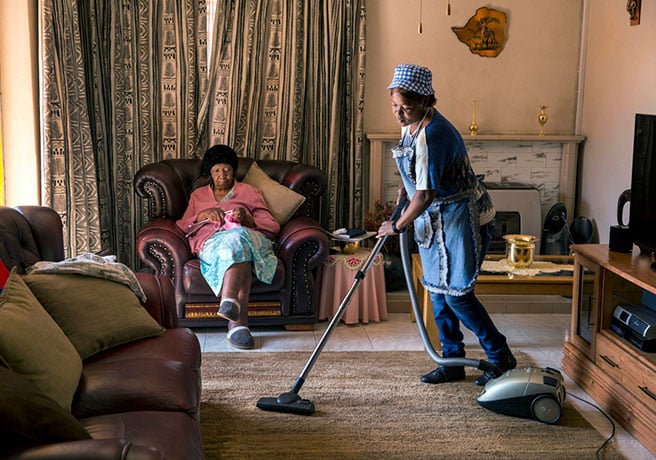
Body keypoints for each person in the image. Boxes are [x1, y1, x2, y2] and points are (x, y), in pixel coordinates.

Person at [377, 64, 516, 386]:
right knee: (437, 294)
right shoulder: (411, 123)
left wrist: (397, 225)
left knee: (457, 295)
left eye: (405, 108)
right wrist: (401, 195)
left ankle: (500, 356)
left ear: (427, 101)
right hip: (435, 219)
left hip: (460, 218)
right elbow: (415, 180)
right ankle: (452, 361)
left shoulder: (433, 134)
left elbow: (425, 194)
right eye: (394, 105)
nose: (398, 114)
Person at [177, 145, 280, 349]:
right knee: (235, 248)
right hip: (214, 243)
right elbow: (183, 224)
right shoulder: (198, 196)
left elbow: (272, 225)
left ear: (234, 171)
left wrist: (247, 218)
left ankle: (229, 302)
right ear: (210, 173)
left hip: (248, 237)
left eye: (227, 170)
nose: (222, 176)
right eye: (216, 171)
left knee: (238, 237)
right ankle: (238, 323)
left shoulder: (250, 192)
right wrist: (203, 215)